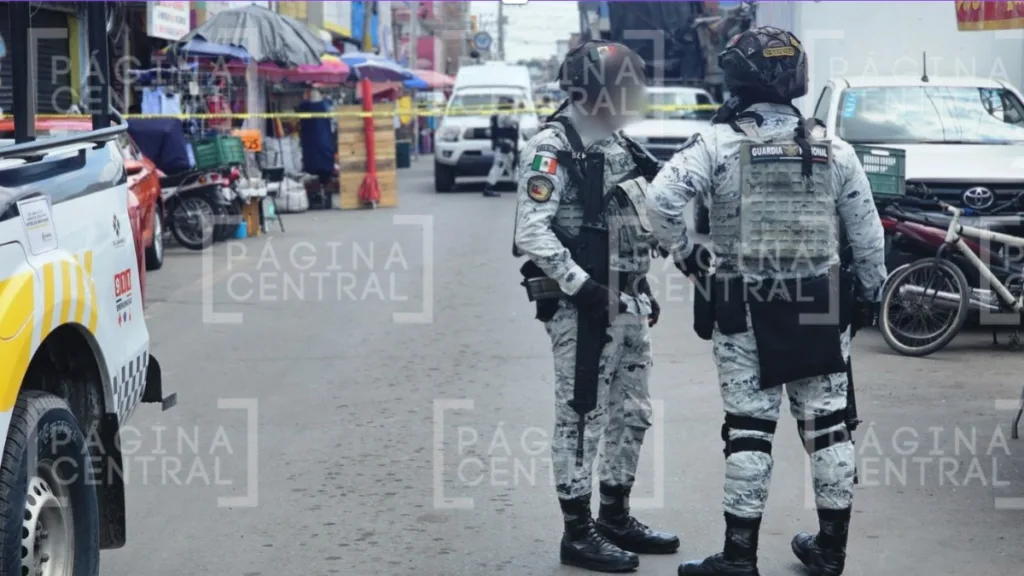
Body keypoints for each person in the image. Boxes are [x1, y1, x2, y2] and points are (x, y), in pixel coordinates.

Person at [644, 27, 886, 576]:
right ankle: (829, 551)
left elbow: (659, 201)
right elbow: (866, 234)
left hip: (742, 303)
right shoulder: (832, 146)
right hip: (820, 304)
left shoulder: (718, 143)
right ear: (796, 79)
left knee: (748, 428)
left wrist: (687, 255)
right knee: (828, 426)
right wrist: (869, 294)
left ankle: (738, 557)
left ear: (736, 79)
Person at [513, 40, 678, 573]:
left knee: (632, 412)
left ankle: (615, 515)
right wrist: (584, 289)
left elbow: (628, 211)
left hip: (624, 299)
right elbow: (532, 233)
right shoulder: (551, 146)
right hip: (581, 306)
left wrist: (640, 283)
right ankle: (577, 532)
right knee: (581, 415)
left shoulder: (615, 141)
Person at [484, 97, 519, 197]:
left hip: (506, 144)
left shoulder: (498, 114)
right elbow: (512, 122)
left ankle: (519, 185)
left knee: (512, 165)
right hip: (504, 144)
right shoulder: (504, 114)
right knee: (499, 165)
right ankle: (488, 187)